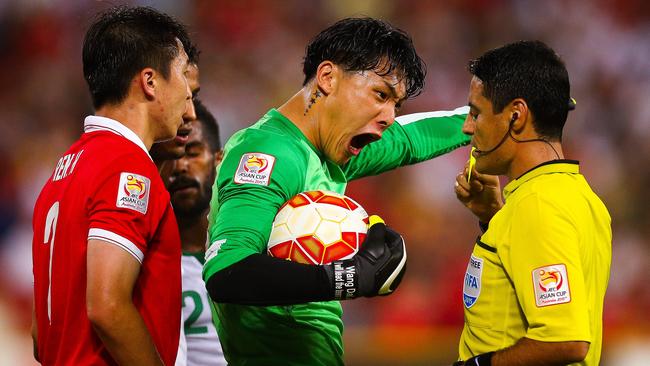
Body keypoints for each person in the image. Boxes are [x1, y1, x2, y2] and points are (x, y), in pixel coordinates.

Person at [203, 17, 471, 365]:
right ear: (327, 78)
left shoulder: (329, 153)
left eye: (396, 105)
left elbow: (409, 138)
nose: (389, 115)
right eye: (381, 94)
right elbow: (227, 271)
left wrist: (485, 116)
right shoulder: (271, 154)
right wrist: (349, 278)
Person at [31, 6, 193, 365]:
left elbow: (41, 337)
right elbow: (106, 305)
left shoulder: (62, 172)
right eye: (182, 74)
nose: (188, 96)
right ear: (150, 82)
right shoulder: (126, 167)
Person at [453, 41, 611, 366]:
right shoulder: (579, 195)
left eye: (476, 112)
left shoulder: (537, 205)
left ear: (516, 115)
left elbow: (565, 339)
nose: (467, 127)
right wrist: (493, 217)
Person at [161, 100, 227, 366]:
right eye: (172, 157)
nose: (180, 167)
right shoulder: (143, 262)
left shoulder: (249, 247)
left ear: (218, 160)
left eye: (193, 152)